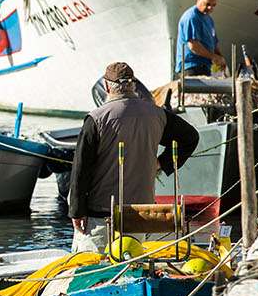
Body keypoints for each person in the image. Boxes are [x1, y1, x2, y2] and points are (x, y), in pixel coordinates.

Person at [68, 62, 200, 253]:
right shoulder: (157, 115)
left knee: (92, 269)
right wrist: (161, 163)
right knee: (132, 263)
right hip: (140, 214)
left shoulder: (97, 118)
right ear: (133, 85)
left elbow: (81, 169)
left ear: (106, 86)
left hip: (101, 215)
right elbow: (190, 138)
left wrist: (77, 211)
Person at [175, 0, 227, 76]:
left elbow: (214, 43)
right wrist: (214, 57)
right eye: (207, 4)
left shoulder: (209, 19)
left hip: (205, 66)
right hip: (191, 67)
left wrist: (221, 58)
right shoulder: (191, 17)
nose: (210, 8)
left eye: (213, 5)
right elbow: (193, 46)